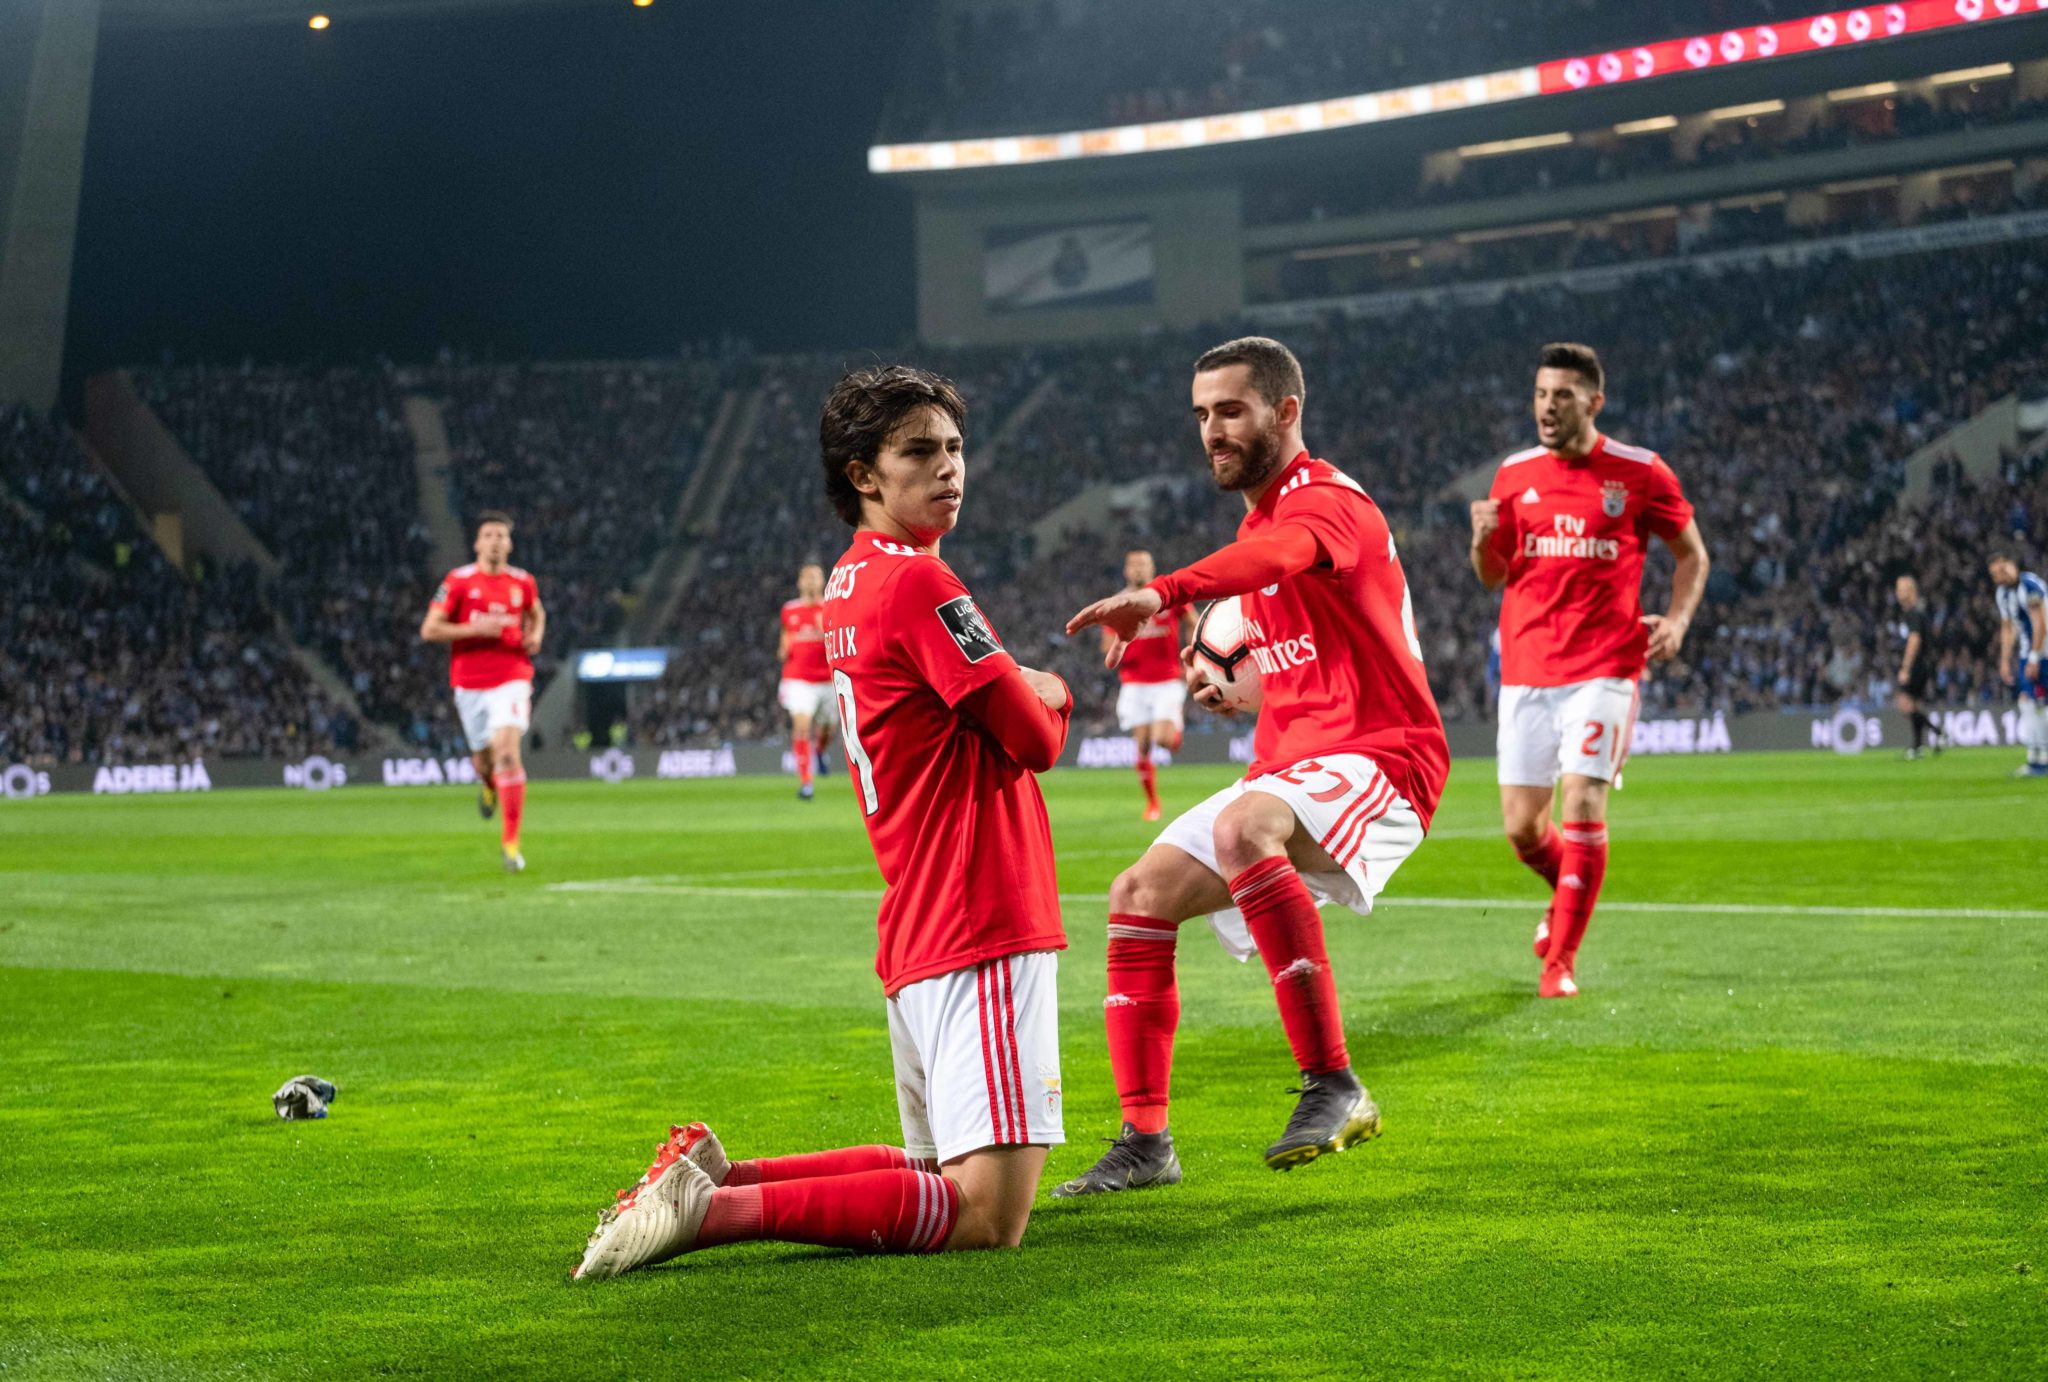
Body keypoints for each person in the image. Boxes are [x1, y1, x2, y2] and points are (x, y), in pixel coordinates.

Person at [574, 365, 1074, 1279]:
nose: (949, 468)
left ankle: (718, 1176)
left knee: (939, 1176)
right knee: (986, 1212)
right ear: (863, 475)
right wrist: (1053, 685)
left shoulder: (848, 583)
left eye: (955, 447)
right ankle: (713, 1213)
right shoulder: (920, 583)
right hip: (980, 907)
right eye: (919, 451)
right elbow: (1036, 739)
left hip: (922, 911)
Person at [1056, 336, 1448, 1194]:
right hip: (1291, 763)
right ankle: (1145, 1142)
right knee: (1136, 895)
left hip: (1383, 756)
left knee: (1243, 828)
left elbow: (1281, 558)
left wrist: (1167, 590)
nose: (1212, 431)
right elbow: (1302, 652)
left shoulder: (1328, 501)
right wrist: (1236, 688)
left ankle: (1335, 1083)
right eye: (1201, 414)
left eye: (1230, 410)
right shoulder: (1256, 526)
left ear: (1286, 411)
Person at [1468, 343, 1709, 999]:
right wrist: (1481, 540)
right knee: (1522, 829)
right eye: (1541, 394)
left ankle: (1560, 962)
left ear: (1594, 403)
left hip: (1605, 667)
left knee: (1581, 802)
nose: (1548, 407)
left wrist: (1677, 620)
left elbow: (1692, 555)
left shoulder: (1640, 472)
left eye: (1563, 396)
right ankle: (1567, 898)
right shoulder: (1513, 474)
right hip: (1525, 667)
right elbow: (1493, 575)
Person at [418, 511, 544, 872]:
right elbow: (430, 629)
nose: (494, 541)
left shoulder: (523, 582)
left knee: (507, 752)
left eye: (501, 535)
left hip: (513, 676)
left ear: (510, 544)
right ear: (477, 543)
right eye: (488, 535)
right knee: (485, 761)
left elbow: (537, 612)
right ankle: (488, 784)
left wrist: (536, 634)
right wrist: (475, 630)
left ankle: (511, 844)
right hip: (470, 683)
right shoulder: (456, 581)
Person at [1105, 549, 1195, 820]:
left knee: (1162, 740)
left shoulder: (1165, 597)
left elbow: (1192, 621)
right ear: (1126, 570)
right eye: (1134, 565)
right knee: (1143, 745)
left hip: (1167, 679)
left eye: (1143, 564)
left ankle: (1175, 732)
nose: (1139, 569)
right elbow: (1107, 646)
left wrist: (1193, 655)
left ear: (1152, 568)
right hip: (1134, 682)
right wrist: (1123, 638)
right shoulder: (1118, 604)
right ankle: (1153, 803)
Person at [777, 562, 838, 799]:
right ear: (799, 582)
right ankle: (806, 783)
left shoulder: (832, 607)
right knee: (801, 726)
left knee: (828, 728)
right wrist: (783, 650)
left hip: (828, 681)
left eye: (815, 576)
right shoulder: (789, 610)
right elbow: (786, 638)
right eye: (807, 577)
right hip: (798, 679)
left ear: (822, 581)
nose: (811, 580)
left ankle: (819, 750)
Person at [1989, 553, 2048, 777]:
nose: (2000, 577)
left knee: (2038, 705)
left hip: (2044, 653)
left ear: (2013, 565)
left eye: (2003, 570)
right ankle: (2037, 759)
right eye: (1995, 575)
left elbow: (2040, 623)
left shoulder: (2030, 585)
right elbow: (2007, 628)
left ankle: (2040, 759)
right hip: (2028, 653)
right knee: (2028, 703)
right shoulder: (2002, 594)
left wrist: (2034, 658)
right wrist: (2004, 660)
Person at [1892, 575, 1940, 760]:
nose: (1898, 593)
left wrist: (1906, 667)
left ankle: (1938, 733)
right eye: (1897, 589)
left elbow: (1914, 639)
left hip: (1916, 664)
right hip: (1923, 663)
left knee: (1904, 704)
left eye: (1902, 589)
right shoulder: (1918, 612)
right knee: (1915, 706)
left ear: (1911, 591)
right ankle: (1917, 746)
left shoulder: (1912, 613)